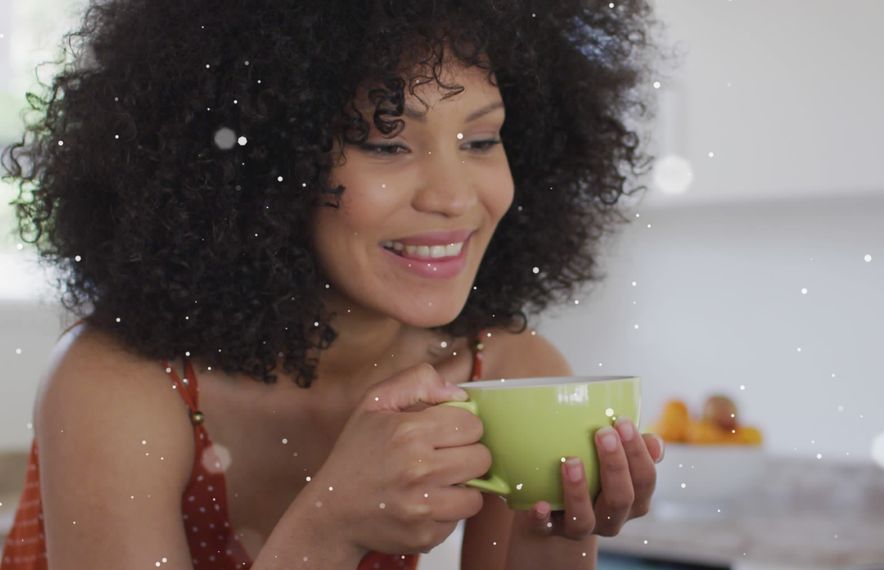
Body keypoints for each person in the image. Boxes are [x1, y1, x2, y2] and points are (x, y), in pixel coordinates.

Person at [0, 1, 667, 568]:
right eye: (386, 143)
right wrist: (331, 527)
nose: (453, 196)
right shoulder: (121, 384)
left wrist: (548, 546)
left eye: (480, 140)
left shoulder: (508, 372)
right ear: (261, 165)